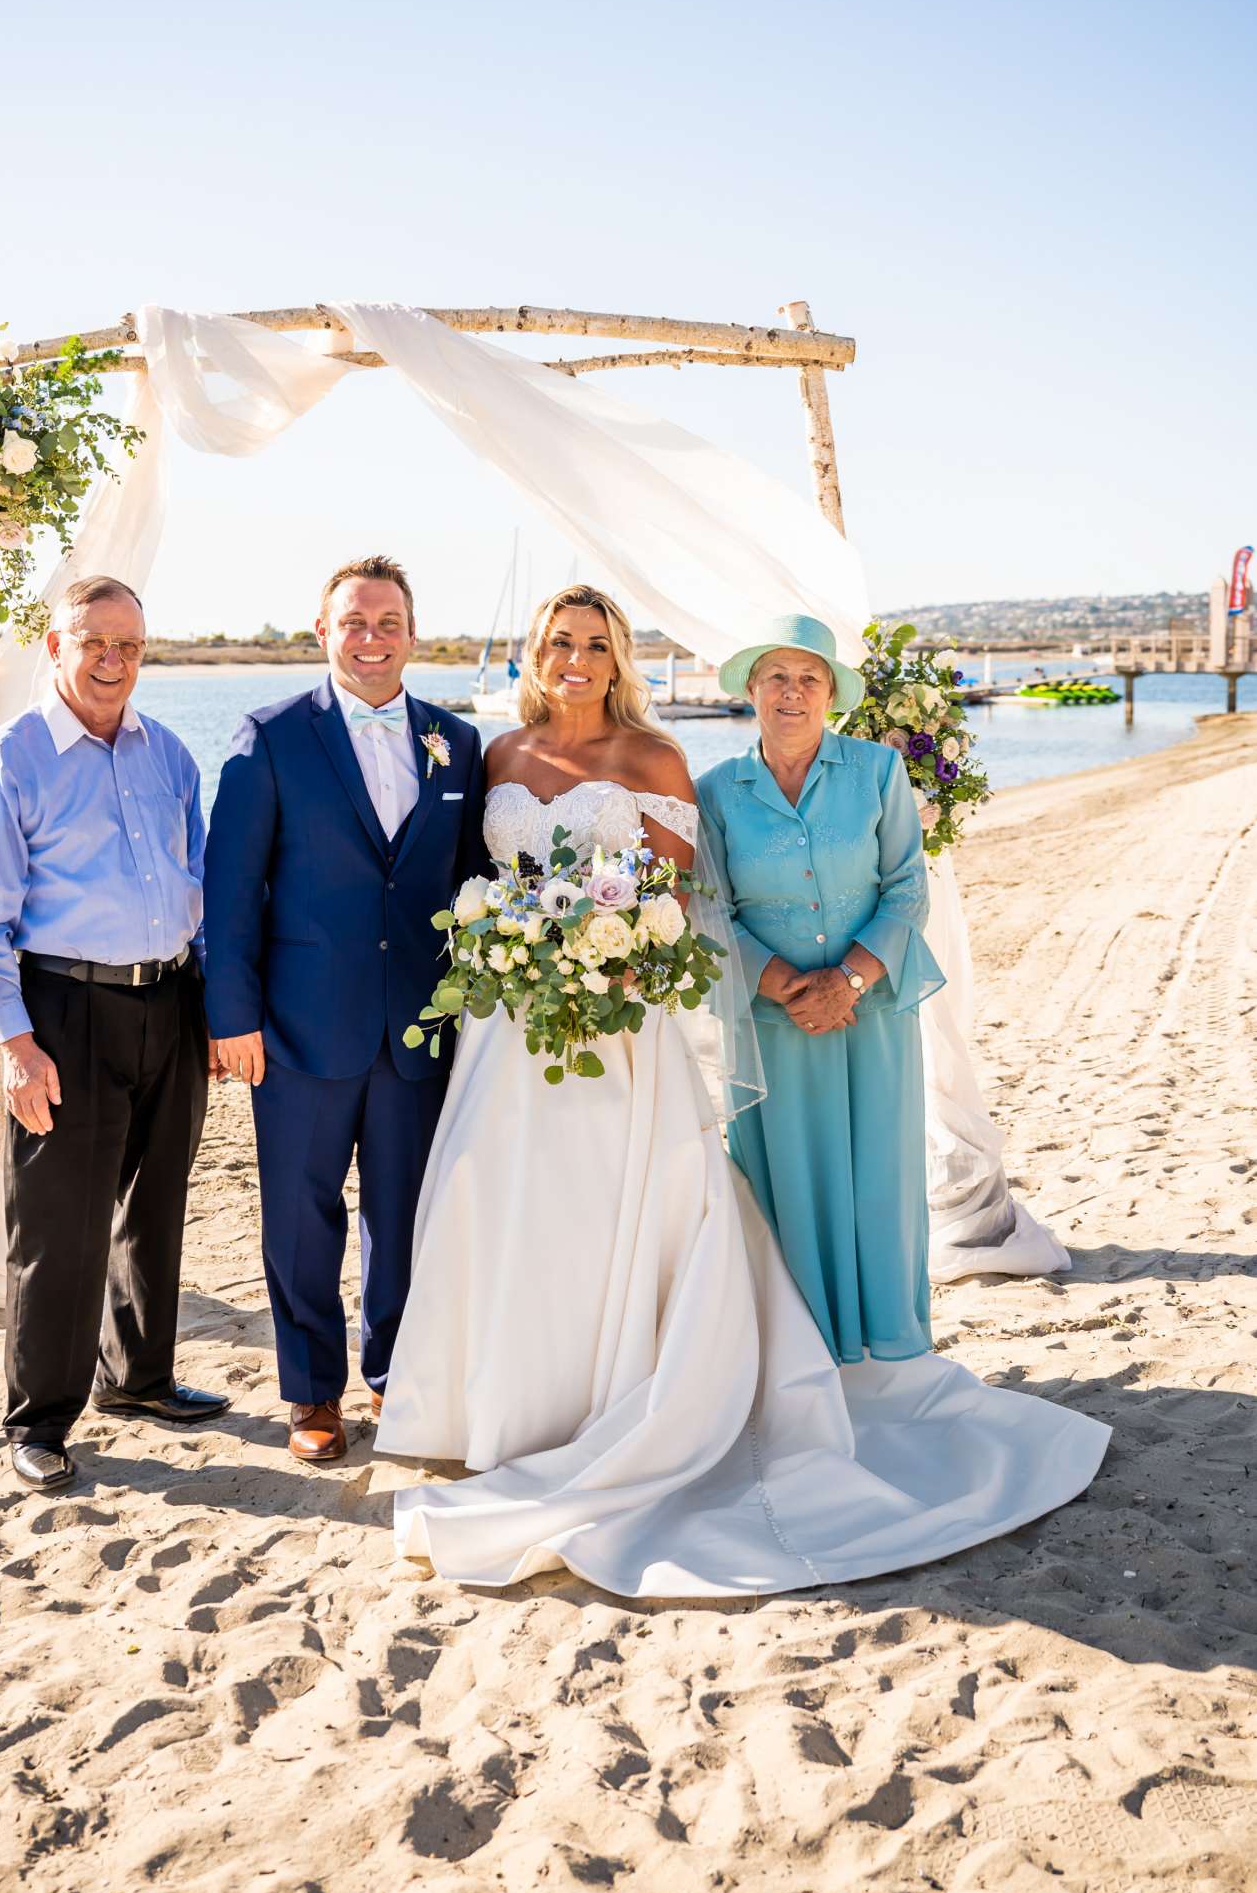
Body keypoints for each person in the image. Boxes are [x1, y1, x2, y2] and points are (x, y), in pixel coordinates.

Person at [375, 586, 1108, 1598]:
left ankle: (644, 1391)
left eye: (596, 643)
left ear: (618, 657)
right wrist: (519, 952)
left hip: (619, 1029)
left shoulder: (657, 759)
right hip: (512, 1034)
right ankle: (502, 1410)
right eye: (561, 641)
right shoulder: (500, 757)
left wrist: (623, 956)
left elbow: (682, 898)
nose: (577, 657)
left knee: (627, 1211)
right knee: (502, 1205)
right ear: (536, 655)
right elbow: (490, 889)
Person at [0, 575, 227, 1494]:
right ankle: (39, 1419)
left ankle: (139, 1379)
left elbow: (200, 891)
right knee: (58, 1225)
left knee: (155, 1205)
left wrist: (213, 1012)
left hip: (171, 1004)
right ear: (57, 645)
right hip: (62, 1011)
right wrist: (18, 1046)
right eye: (95, 643)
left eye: (131, 646)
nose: (114, 661)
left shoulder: (169, 755)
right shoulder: (11, 759)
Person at [203, 556, 486, 1466]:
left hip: (418, 1027)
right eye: (353, 622)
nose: (371, 638)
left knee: (403, 1214)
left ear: (413, 633)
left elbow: (468, 882)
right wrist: (230, 1016)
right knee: (301, 1214)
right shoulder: (270, 736)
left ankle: (397, 1374)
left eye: (388, 622)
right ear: (321, 631)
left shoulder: (457, 742)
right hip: (297, 1027)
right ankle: (312, 1392)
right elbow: (231, 892)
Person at [696, 612, 939, 1361]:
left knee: (879, 1177)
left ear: (830, 693)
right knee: (792, 1187)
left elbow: (906, 889)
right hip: (772, 1024)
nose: (791, 693)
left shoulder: (878, 771)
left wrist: (850, 980)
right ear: (752, 690)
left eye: (808, 679)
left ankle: (889, 1344)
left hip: (875, 1014)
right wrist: (787, 986)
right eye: (777, 677)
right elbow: (709, 909)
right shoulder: (713, 791)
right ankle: (807, 1352)